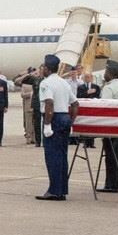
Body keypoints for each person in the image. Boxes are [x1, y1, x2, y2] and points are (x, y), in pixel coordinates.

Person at [36, 54, 79, 201]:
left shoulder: (46, 83)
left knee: (52, 156)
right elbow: (75, 104)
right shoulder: (64, 83)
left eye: (43, 67)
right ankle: (61, 190)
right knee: (62, 156)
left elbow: (49, 103)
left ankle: (54, 190)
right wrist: (70, 121)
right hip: (64, 118)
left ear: (47, 69)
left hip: (53, 119)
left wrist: (47, 125)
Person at [97, 60, 118, 192]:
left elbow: (104, 107)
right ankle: (116, 183)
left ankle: (110, 184)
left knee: (110, 156)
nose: (104, 74)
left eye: (106, 71)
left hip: (109, 125)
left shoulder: (108, 88)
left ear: (111, 73)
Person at [76, 73, 100, 148]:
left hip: (93, 108)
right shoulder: (80, 87)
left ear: (91, 78)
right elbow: (78, 96)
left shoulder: (96, 87)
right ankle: (85, 142)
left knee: (92, 125)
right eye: (85, 77)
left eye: (88, 77)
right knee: (85, 124)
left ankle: (91, 142)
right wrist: (87, 93)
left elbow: (98, 96)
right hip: (85, 108)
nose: (87, 78)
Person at [15, 67, 38, 145]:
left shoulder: (38, 83)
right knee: (28, 123)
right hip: (28, 106)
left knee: (35, 123)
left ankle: (34, 138)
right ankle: (28, 137)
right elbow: (15, 81)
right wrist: (26, 75)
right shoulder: (25, 84)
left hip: (35, 106)